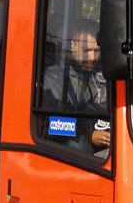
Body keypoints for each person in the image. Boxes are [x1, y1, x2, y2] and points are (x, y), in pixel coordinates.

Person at [42, 18, 110, 154]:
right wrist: (89, 133)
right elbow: (54, 124)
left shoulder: (106, 73)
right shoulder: (55, 78)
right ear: (73, 45)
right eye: (86, 50)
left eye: (97, 51)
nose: (92, 57)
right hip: (75, 149)